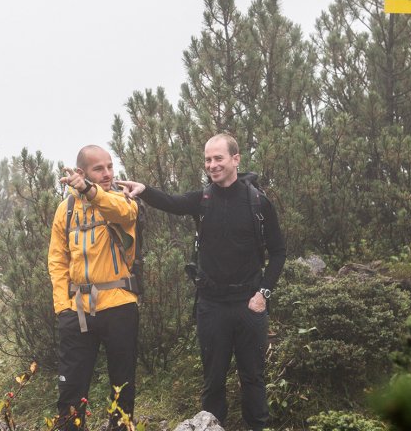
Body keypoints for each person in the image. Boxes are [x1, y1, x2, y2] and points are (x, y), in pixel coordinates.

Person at [116, 133, 285, 431]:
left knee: (254, 378)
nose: (212, 164)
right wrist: (143, 190)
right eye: (208, 159)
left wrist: (263, 295)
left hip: (249, 304)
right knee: (213, 380)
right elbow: (172, 202)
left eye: (218, 158)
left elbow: (279, 252)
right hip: (211, 305)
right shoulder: (203, 199)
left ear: (236, 159)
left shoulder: (259, 203)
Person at [47, 145, 141, 430]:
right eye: (99, 169)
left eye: (110, 167)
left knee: (122, 388)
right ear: (81, 172)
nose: (108, 174)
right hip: (77, 312)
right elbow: (57, 261)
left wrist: (90, 191)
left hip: (119, 305)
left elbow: (124, 214)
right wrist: (63, 307)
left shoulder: (121, 200)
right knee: (71, 392)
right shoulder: (65, 211)